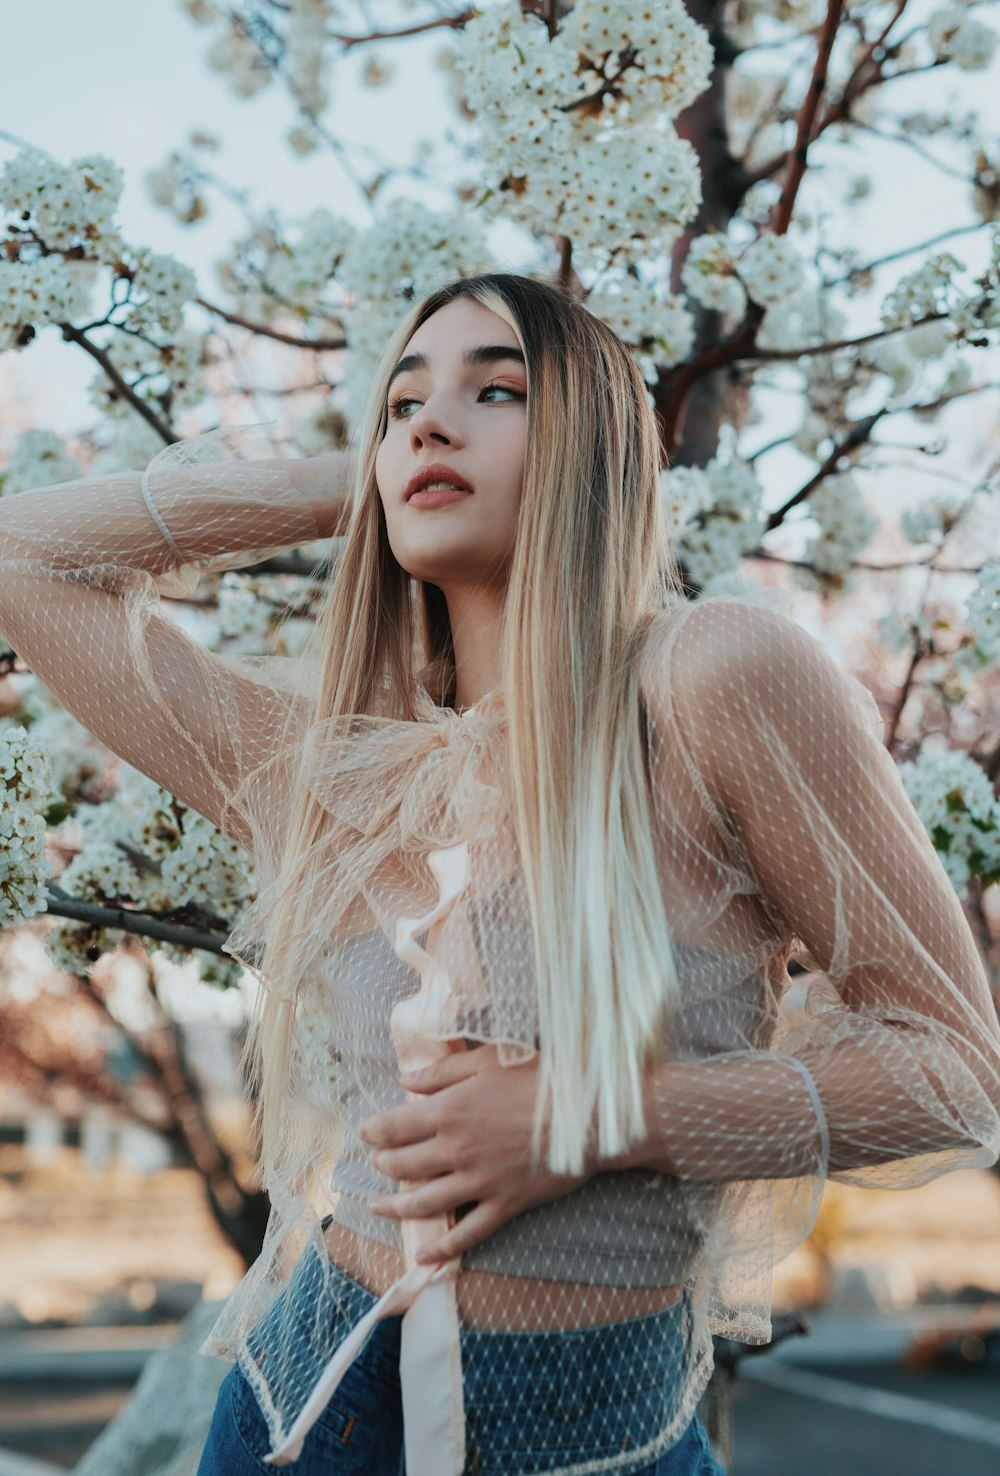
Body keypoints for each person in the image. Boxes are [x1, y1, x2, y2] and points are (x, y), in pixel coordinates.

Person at [0, 274, 997, 1476]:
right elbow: (24, 554)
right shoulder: (338, 777)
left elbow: (955, 1075)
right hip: (302, 1425)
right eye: (403, 402)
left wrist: (589, 1121)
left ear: (594, 447)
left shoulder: (708, 678)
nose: (428, 421)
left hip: (597, 1440)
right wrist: (356, 484)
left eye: (498, 391)